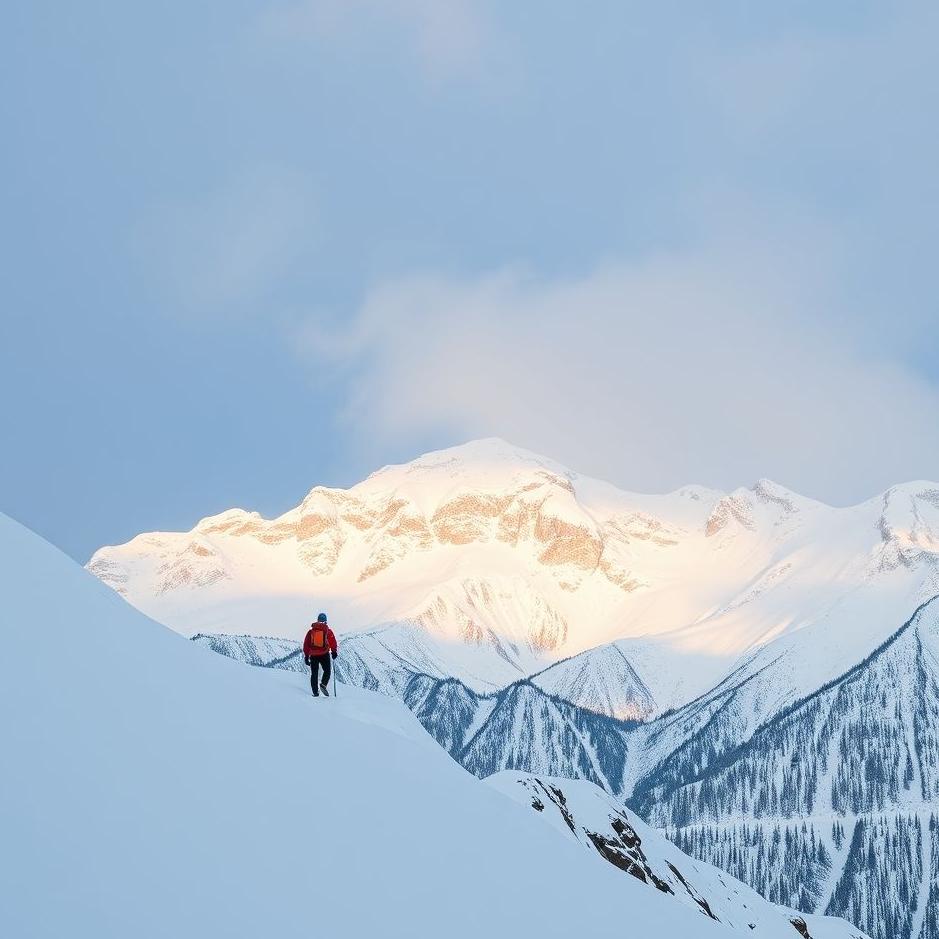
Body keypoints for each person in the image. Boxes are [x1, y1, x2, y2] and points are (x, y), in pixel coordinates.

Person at [303, 612, 338, 697]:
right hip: (324, 654)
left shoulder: (311, 631)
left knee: (314, 673)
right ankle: (323, 684)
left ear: (318, 620)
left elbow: (306, 644)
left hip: (313, 655)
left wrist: (306, 656)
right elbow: (333, 642)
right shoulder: (328, 631)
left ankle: (315, 692)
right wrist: (334, 652)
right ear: (326, 621)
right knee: (327, 671)